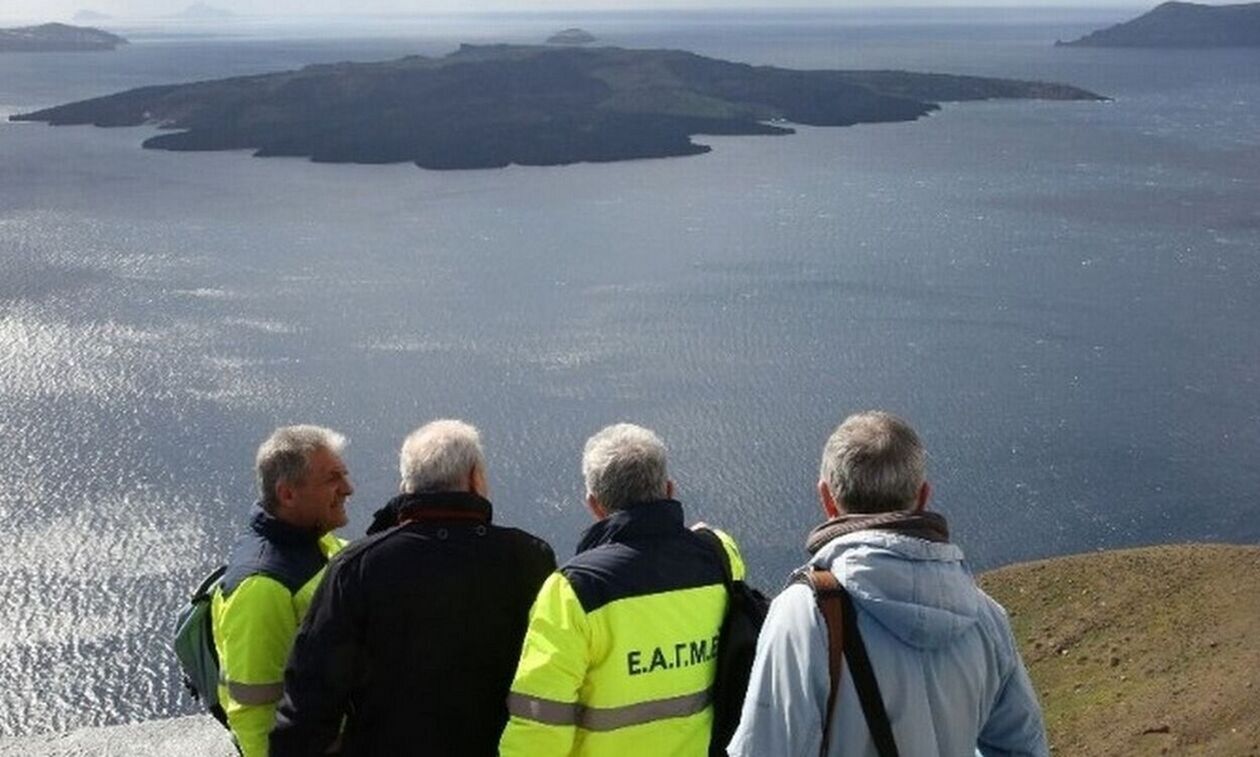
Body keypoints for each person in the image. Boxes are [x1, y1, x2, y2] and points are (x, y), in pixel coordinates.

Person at [728, 411, 1048, 757]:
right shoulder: (985, 617)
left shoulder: (806, 614)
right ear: (923, 496)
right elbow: (1023, 748)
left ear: (827, 499)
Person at [270, 419, 556, 756]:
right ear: (475, 478)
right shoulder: (530, 559)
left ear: (407, 486)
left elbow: (311, 699)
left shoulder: (357, 567)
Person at [500, 423, 744, 756]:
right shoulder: (720, 558)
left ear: (594, 504)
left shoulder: (573, 590)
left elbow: (541, 722)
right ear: (669, 489)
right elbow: (718, 544)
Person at [212, 425, 354, 757]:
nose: (348, 489)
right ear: (287, 494)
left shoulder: (314, 540)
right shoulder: (261, 587)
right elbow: (253, 707)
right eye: (332, 479)